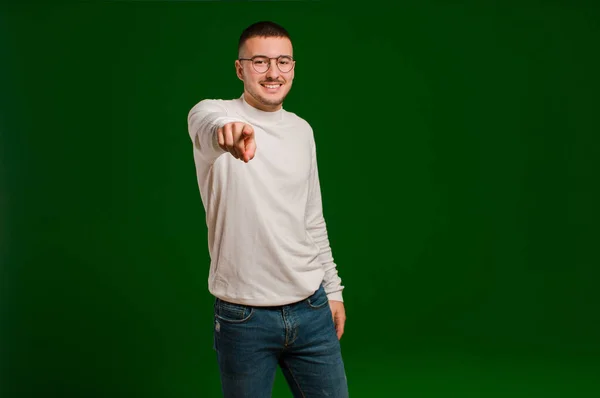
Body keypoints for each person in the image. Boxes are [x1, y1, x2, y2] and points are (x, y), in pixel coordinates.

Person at [187, 20, 349, 397]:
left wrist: (334, 289)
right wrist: (226, 133)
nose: (274, 72)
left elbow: (311, 218)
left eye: (283, 62)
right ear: (240, 68)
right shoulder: (215, 114)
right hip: (244, 318)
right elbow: (207, 123)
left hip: (312, 308)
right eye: (260, 62)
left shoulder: (302, 131)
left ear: (293, 67)